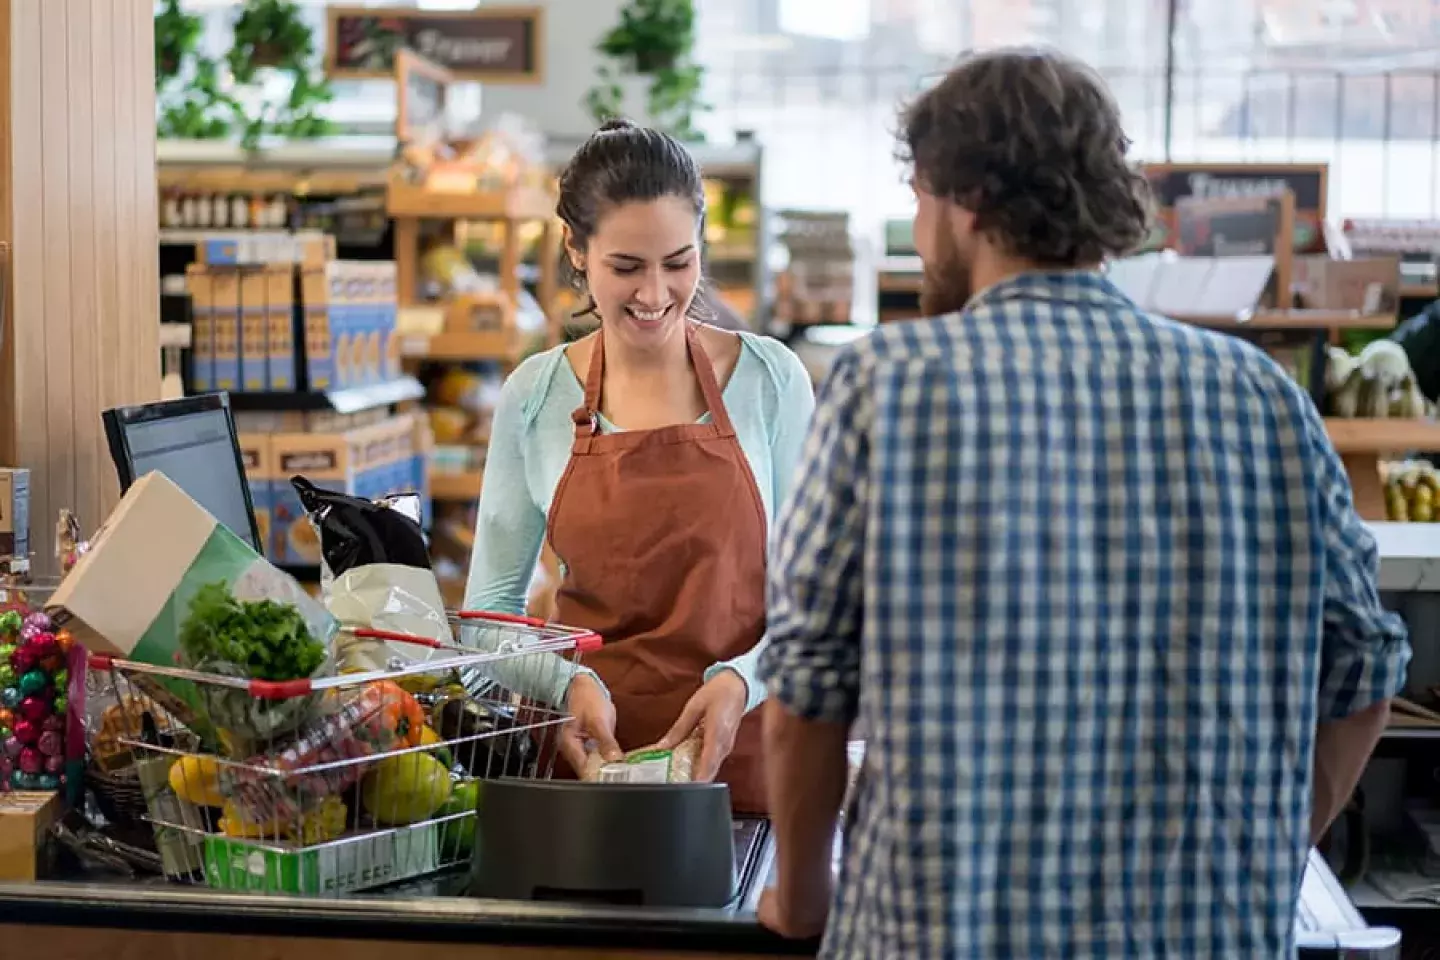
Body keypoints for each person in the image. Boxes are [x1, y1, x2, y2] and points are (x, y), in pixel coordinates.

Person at [758, 48, 1411, 957]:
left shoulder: (887, 382)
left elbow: (806, 691)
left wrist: (801, 900)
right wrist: (1265, 853)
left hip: (942, 932)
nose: (920, 228)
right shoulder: (1263, 395)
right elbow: (1367, 668)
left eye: (919, 197)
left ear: (965, 199)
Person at [465, 120, 815, 813]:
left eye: (678, 263)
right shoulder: (535, 396)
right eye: (626, 267)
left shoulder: (770, 381)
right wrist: (563, 683)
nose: (655, 294)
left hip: (744, 775)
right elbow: (485, 618)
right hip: (588, 778)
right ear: (575, 249)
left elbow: (819, 602)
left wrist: (742, 680)